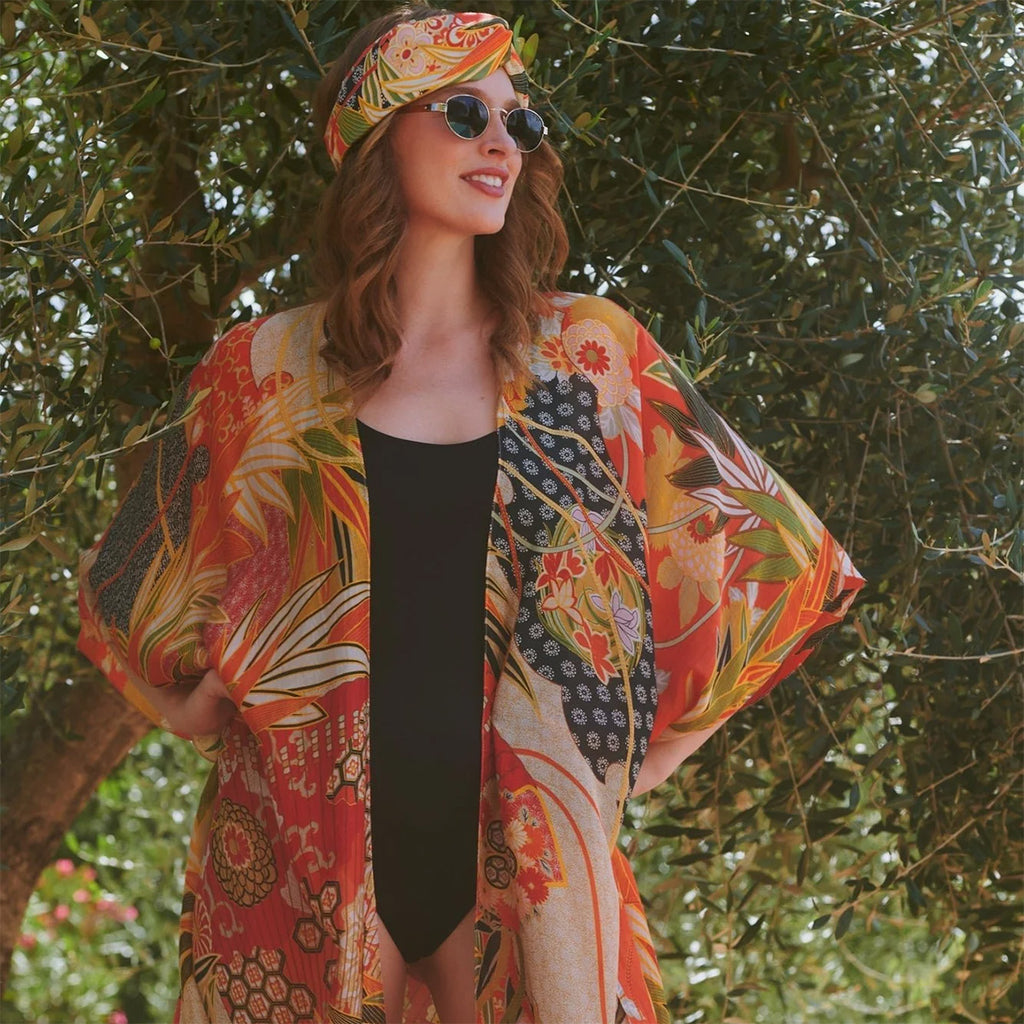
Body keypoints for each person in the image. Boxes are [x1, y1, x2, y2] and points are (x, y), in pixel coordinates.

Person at [77, 6, 864, 1023]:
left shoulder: (591, 356)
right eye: (462, 112)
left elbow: (783, 568)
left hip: (528, 877)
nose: (501, 142)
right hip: (296, 877)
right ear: (375, 137)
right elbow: (120, 588)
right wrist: (183, 705)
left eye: (519, 124)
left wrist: (639, 760)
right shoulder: (258, 375)